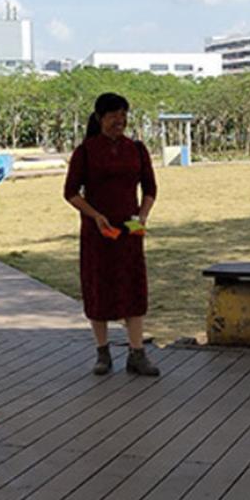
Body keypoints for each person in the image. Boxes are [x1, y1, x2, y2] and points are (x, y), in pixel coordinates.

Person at [63, 92, 160, 376]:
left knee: (134, 288)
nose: (120, 120)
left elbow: (150, 189)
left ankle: (137, 353)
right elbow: (70, 192)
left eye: (123, 114)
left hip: (130, 231)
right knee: (98, 287)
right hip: (98, 232)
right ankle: (102, 353)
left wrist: (142, 216)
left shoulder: (137, 149)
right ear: (99, 118)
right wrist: (94, 216)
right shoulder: (86, 151)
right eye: (113, 115)